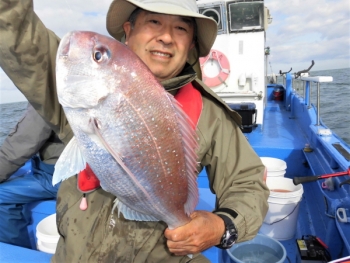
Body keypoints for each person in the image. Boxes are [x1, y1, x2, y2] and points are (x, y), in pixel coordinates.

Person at [0, 0, 269, 262]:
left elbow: (247, 183)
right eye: (153, 21)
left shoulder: (211, 115)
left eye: (181, 29)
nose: (165, 36)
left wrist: (223, 226)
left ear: (191, 46)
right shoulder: (77, 82)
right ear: (128, 31)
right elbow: (17, 31)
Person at [0, 103, 64, 248]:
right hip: (89, 172)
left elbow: (18, 146)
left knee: (1, 195)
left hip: (62, 177)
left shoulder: (49, 98)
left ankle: (16, 254)